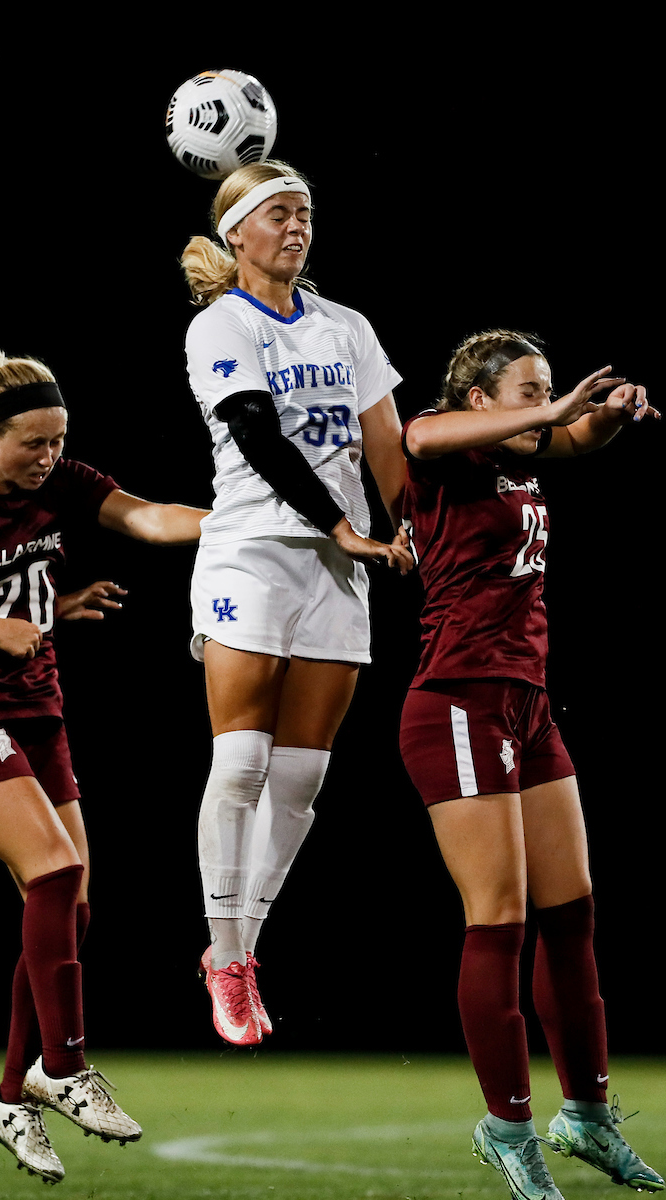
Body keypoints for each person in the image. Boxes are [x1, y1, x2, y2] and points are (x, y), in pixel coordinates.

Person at [0, 351, 206, 1185]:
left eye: (60, 441)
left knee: (74, 905)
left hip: (36, 712)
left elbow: (150, 519)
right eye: (33, 442)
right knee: (55, 872)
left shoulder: (61, 485)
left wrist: (253, 522)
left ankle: (8, 1096)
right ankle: (62, 1068)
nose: (49, 457)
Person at [398, 330, 663, 1199]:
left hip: (527, 701)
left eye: (550, 387)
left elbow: (581, 439)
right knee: (499, 920)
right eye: (527, 388)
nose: (548, 403)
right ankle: (507, 1126)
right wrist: (553, 409)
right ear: (480, 398)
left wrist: (609, 413)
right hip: (458, 701)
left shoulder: (520, 457)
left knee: (574, 914)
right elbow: (416, 435)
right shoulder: (444, 443)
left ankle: (584, 1116)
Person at [180, 160, 413, 1046]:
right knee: (240, 763)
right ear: (238, 233)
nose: (296, 225)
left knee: (303, 777)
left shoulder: (346, 327)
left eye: (304, 212)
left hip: (336, 567)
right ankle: (227, 954)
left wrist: (408, 528)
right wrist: (342, 525)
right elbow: (253, 429)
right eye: (278, 213)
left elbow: (384, 443)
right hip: (249, 555)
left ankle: (239, 951)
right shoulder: (221, 325)